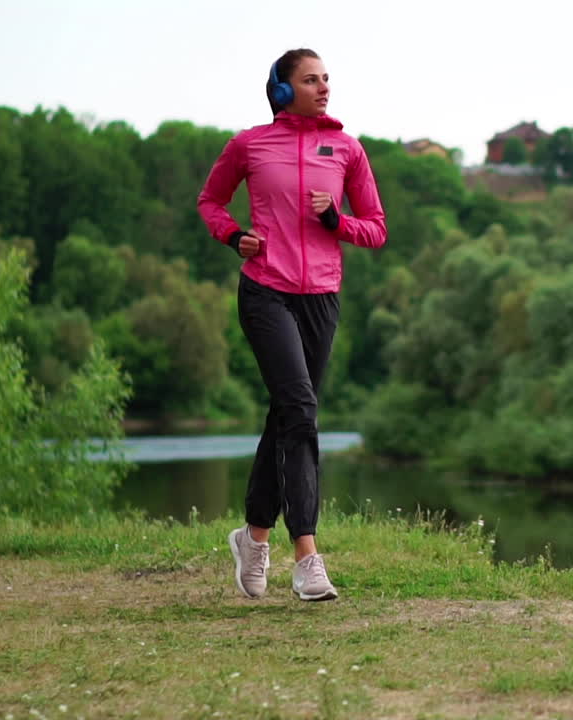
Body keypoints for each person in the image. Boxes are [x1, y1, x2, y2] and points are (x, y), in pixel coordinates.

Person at [197, 48, 387, 601]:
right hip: (266, 290)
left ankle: (253, 537)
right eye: (310, 80)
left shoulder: (348, 149)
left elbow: (375, 229)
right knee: (301, 409)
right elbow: (211, 202)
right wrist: (233, 236)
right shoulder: (250, 145)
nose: (324, 87)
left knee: (287, 413)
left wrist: (337, 221)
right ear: (282, 90)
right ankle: (306, 555)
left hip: (321, 297)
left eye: (326, 78)